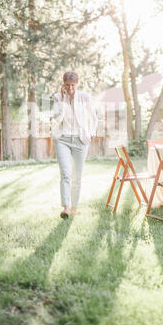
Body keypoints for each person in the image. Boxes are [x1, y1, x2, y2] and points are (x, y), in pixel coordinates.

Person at [52, 71, 97, 219]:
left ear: (77, 84)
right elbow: (57, 119)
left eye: (73, 85)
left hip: (80, 140)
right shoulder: (58, 97)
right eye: (67, 85)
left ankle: (74, 207)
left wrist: (91, 132)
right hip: (63, 139)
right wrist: (64, 100)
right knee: (65, 173)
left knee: (77, 175)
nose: (70, 88)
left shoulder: (85, 97)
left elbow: (94, 118)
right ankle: (65, 208)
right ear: (63, 84)